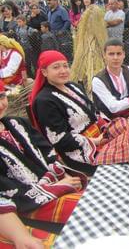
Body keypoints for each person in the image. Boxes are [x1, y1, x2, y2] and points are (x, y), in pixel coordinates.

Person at [0, 79, 86, 248]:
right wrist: (57, 186)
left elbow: (48, 152)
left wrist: (63, 176)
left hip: (53, 182)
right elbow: (6, 190)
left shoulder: (17, 123)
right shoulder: (44, 100)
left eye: (2, 96)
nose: (1, 104)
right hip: (27, 202)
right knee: (89, 209)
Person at [30, 51, 105, 175]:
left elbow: (93, 113)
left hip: (99, 136)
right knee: (122, 163)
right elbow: (60, 139)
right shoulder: (45, 101)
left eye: (65, 66)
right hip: (79, 152)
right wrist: (95, 141)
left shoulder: (73, 87)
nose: (63, 70)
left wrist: (105, 127)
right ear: (44, 72)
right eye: (56, 67)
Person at [92, 38, 129, 120]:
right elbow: (113, 107)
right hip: (108, 120)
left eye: (119, 54)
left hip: (127, 116)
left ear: (124, 55)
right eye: (111, 54)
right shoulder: (98, 80)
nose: (115, 58)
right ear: (104, 56)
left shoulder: (127, 70)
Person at [15, 15, 38, 79]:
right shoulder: (17, 28)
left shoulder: (28, 29)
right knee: (26, 63)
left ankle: (36, 75)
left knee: (33, 62)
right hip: (22, 47)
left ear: (24, 22)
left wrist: (35, 31)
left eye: (20, 22)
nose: (19, 23)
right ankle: (30, 75)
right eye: (18, 22)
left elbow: (34, 32)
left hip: (29, 48)